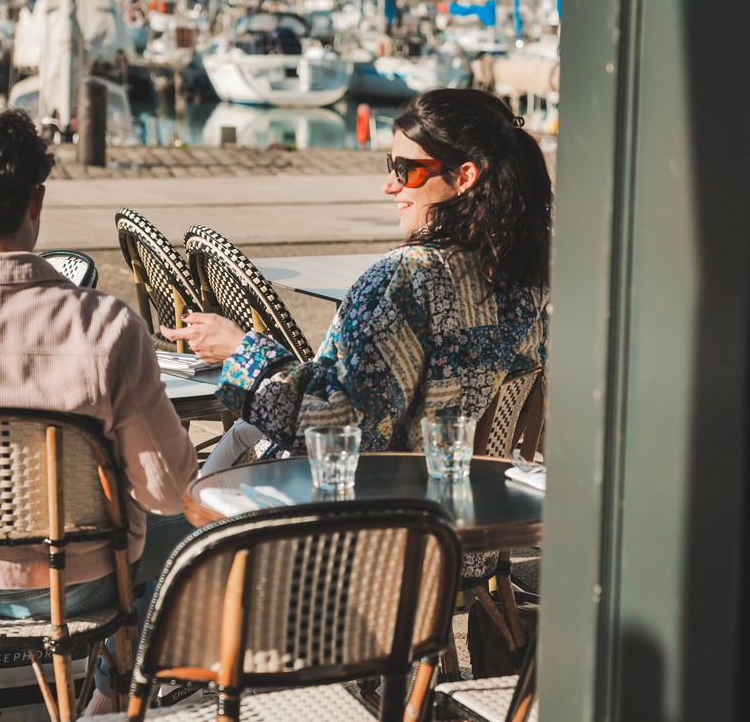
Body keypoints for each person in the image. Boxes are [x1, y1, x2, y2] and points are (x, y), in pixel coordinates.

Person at [161, 88, 551, 581]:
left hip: (356, 544)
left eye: (407, 170)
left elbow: (340, 431)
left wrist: (242, 351)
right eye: (392, 165)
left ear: (464, 177)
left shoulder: (404, 281)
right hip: (462, 536)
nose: (389, 185)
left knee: (162, 536)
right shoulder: (524, 280)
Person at [0, 104, 197, 705]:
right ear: (36, 202)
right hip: (76, 587)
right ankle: (116, 701)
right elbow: (169, 492)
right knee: (195, 535)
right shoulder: (106, 326)